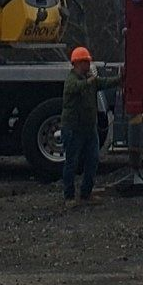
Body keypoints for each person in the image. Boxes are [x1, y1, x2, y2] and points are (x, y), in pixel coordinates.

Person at [60, 44, 100, 208]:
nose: (88, 65)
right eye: (85, 62)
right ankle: (69, 196)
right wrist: (90, 81)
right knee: (71, 162)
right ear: (77, 63)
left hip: (89, 128)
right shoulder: (72, 80)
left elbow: (101, 83)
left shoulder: (86, 80)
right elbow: (75, 88)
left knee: (93, 160)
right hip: (73, 129)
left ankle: (86, 194)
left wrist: (120, 80)